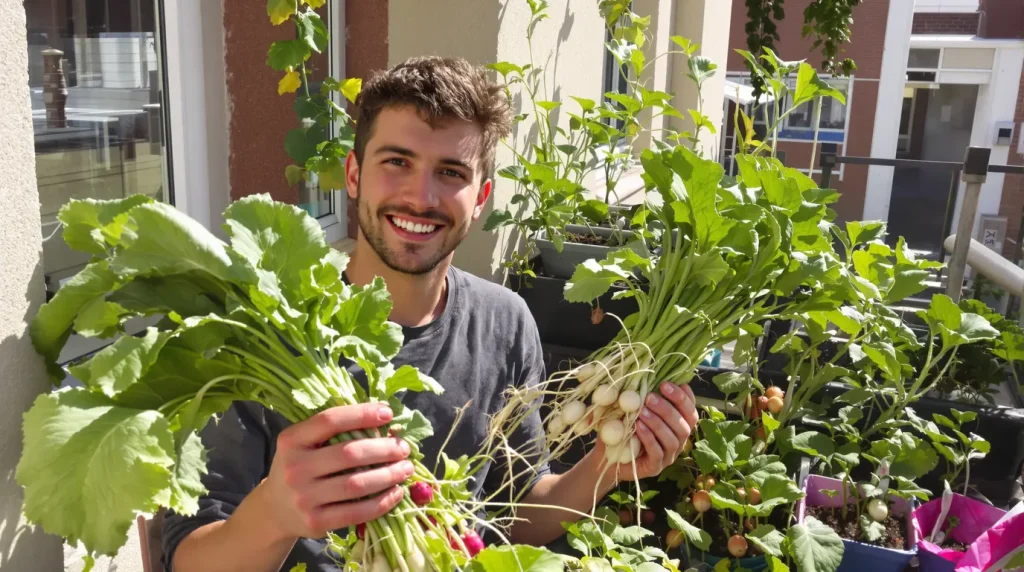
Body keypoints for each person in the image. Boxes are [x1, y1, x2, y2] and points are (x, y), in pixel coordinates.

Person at [162, 55, 699, 572]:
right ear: (354, 174)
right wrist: (275, 514)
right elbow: (189, 557)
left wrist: (609, 465)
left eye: (450, 172)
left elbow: (516, 512)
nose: (420, 197)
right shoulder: (265, 336)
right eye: (397, 162)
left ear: (481, 197)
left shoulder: (505, 321)